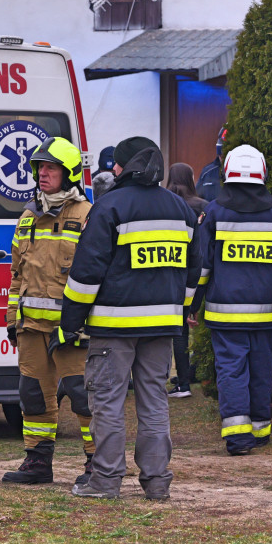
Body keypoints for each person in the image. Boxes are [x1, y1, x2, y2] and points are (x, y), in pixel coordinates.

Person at [60, 136, 201, 499]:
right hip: (162, 326)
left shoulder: (109, 208)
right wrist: (181, 310)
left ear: (120, 167)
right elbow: (193, 273)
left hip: (113, 327)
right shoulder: (181, 210)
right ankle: (156, 483)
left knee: (107, 402)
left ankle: (105, 481)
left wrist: (71, 319)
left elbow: (86, 272)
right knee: (154, 400)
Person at [189, 145, 272, 455]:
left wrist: (192, 304)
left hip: (225, 314)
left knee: (231, 370)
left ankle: (239, 437)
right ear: (262, 174)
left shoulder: (215, 212)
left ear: (227, 173)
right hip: (265, 314)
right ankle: (259, 429)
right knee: (261, 369)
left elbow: (202, 265)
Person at [2, 136, 95, 486]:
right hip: (31, 328)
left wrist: (83, 322)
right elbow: (16, 274)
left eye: (51, 168)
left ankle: (97, 464)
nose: (42, 174)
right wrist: (13, 318)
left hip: (72, 329)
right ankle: (38, 461)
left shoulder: (87, 216)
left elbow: (96, 275)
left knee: (84, 396)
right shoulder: (28, 216)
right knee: (33, 395)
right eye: (40, 167)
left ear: (69, 173)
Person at [166, 162, 208, 398]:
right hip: (195, 269)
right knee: (191, 327)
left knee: (176, 330)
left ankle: (182, 382)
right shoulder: (202, 206)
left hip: (168, 269)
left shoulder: (164, 204)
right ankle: (191, 373)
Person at [197, 126, 227, 202]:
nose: (223, 158)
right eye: (221, 155)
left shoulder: (247, 173)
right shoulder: (207, 172)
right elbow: (197, 198)